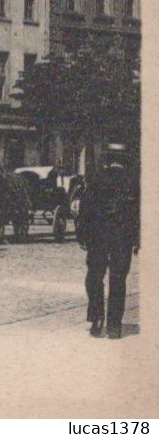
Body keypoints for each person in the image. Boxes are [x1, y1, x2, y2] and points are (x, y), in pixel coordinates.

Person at [78, 143, 140, 339]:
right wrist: (138, 238)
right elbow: (140, 213)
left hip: (98, 238)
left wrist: (83, 236)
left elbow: (85, 209)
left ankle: (96, 319)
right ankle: (114, 326)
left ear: (108, 159)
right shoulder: (133, 182)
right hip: (123, 238)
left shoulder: (97, 179)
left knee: (94, 277)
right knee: (118, 279)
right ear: (125, 160)